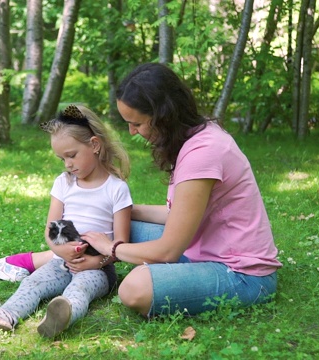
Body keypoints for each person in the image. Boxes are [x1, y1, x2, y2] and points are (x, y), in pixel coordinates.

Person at [81, 63, 282, 318]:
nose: (132, 132)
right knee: (119, 222)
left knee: (134, 288)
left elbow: (168, 250)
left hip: (243, 275)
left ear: (163, 115)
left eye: (137, 123)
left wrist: (112, 248)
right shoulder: (197, 136)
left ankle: (92, 263)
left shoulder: (203, 152)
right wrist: (124, 210)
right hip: (203, 249)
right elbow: (177, 215)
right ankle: (57, 262)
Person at [0, 104, 133, 337]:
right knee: (32, 283)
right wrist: (60, 250)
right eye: (62, 158)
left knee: (80, 289)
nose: (67, 164)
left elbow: (120, 245)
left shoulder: (116, 189)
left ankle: (61, 316)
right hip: (61, 261)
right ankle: (2, 317)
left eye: (72, 155)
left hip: (98, 268)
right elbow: (52, 229)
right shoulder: (64, 183)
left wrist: (94, 263)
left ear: (94, 145)